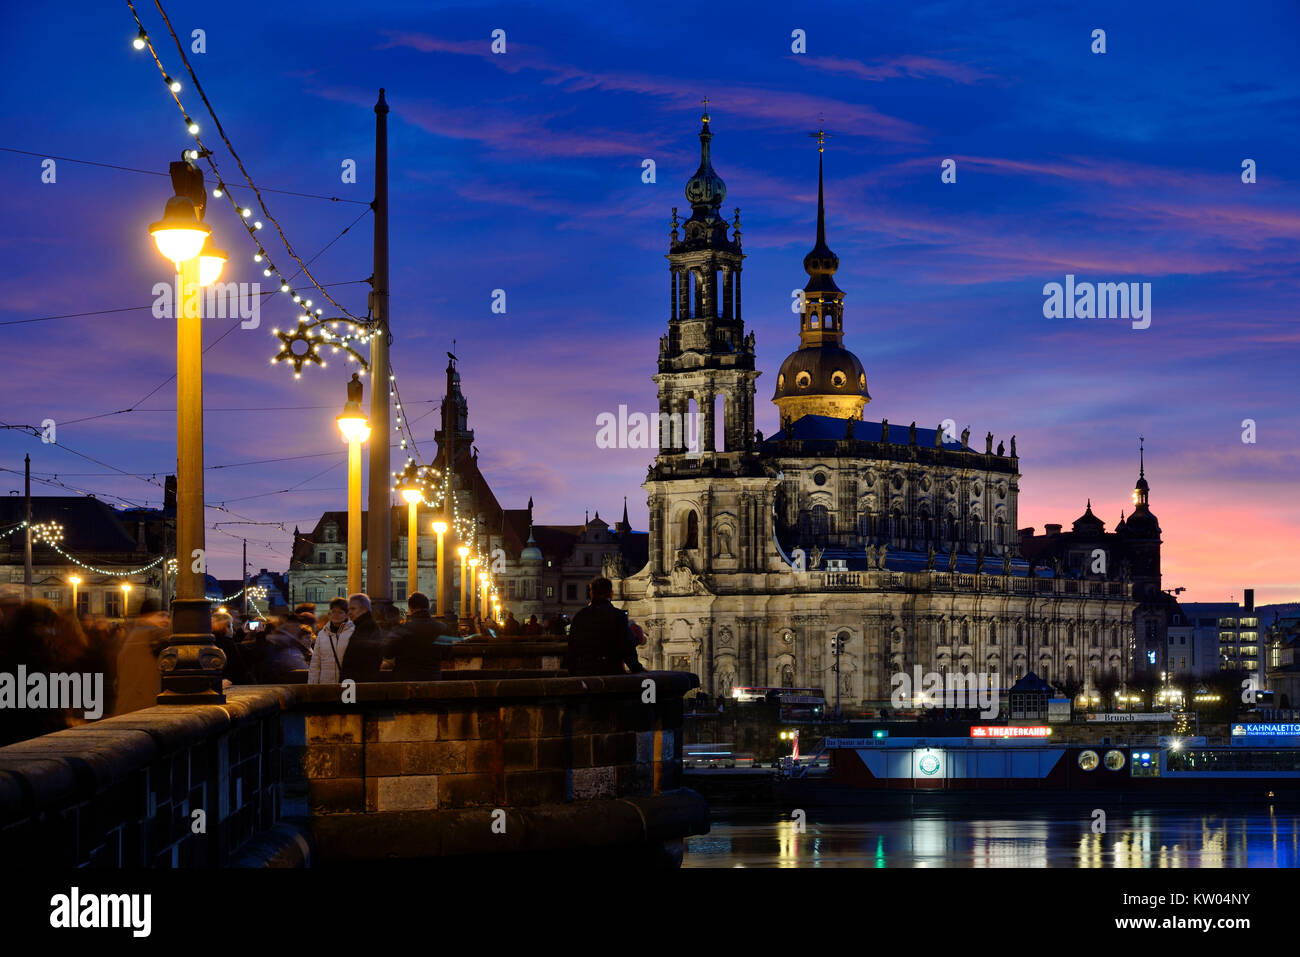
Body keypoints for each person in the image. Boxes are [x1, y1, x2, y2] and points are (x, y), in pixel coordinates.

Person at [562, 577, 644, 676]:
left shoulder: (580, 616)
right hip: (611, 673)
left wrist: (572, 672)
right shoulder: (618, 616)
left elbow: (572, 648)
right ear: (611, 594)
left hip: (584, 673)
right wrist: (637, 669)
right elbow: (627, 649)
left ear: (591, 594)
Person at [111, 598, 171, 716]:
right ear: (146, 616)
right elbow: (174, 632)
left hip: (131, 707)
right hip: (140, 708)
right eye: (161, 615)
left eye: (168, 616)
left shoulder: (133, 633)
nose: (166, 620)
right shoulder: (148, 633)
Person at [385, 592, 449, 680]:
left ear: (411, 608)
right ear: (428, 607)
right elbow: (447, 655)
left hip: (405, 680)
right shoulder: (442, 628)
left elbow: (388, 653)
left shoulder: (402, 629)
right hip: (433, 679)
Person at [340, 593, 387, 683]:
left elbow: (360, 659)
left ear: (364, 609)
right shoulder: (363, 626)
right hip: (359, 681)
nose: (349, 612)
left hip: (358, 682)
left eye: (353, 609)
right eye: (349, 609)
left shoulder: (366, 627)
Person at [260, 608, 313, 683]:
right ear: (289, 624)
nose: (298, 628)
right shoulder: (284, 642)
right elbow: (299, 667)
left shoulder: (279, 639)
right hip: (281, 684)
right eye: (296, 624)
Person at [308, 597, 354, 684]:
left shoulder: (353, 632)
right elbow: (315, 663)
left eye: (340, 612)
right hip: (326, 683)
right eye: (333, 611)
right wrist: (312, 685)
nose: (336, 615)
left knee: (348, 698)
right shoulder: (322, 634)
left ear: (346, 614)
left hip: (348, 683)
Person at [212, 611, 252, 687]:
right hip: (232, 685)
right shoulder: (228, 644)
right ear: (226, 628)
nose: (232, 628)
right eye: (231, 626)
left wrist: (241, 633)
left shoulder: (212, 641)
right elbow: (239, 669)